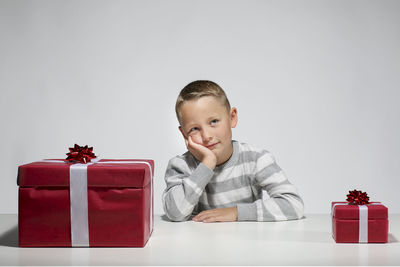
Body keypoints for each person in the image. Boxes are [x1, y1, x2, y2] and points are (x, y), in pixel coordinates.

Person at [162, 80, 304, 222]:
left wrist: (236, 212)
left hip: (246, 241)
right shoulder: (181, 165)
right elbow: (175, 213)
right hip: (201, 241)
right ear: (184, 134)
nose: (207, 136)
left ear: (232, 118)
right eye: (194, 129)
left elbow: (293, 204)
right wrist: (207, 164)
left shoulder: (255, 159)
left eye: (214, 122)